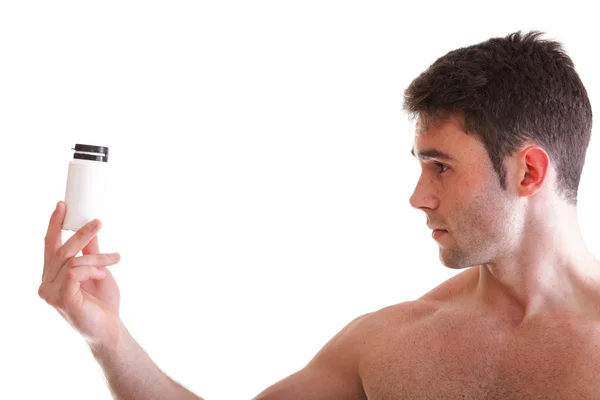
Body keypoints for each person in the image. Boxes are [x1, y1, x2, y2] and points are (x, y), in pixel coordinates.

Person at [39, 30, 599, 399]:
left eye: (441, 167)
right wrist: (109, 340)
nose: (418, 196)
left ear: (528, 172)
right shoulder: (391, 342)